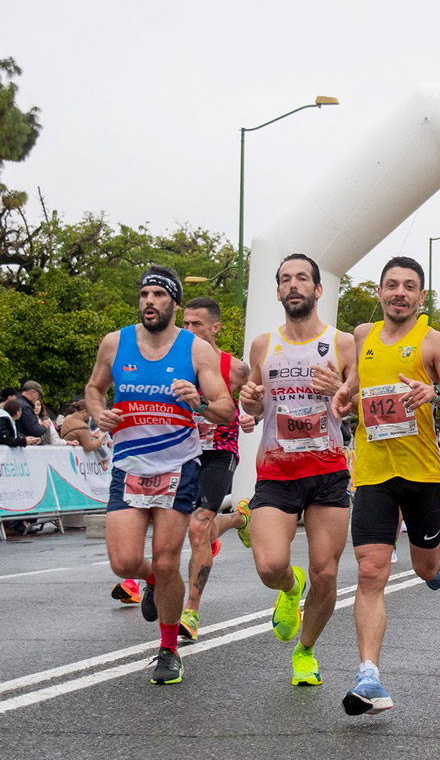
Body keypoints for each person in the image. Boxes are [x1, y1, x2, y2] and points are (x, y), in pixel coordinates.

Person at [334, 256, 440, 716]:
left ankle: (436, 564)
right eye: (391, 285)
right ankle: (369, 675)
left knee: (423, 569)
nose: (399, 293)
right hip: (373, 473)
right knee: (371, 571)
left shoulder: (434, 343)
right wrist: (341, 397)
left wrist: (432, 394)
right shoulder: (361, 336)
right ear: (379, 292)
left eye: (408, 286)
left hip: (421, 474)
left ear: (421, 296)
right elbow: (354, 386)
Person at [84, 265, 235, 684]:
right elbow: (94, 388)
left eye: (158, 295)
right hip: (129, 466)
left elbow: (226, 409)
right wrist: (99, 413)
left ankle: (168, 650)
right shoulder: (115, 343)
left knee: (169, 559)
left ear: (174, 302)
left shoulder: (195, 350)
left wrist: (200, 401)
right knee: (124, 562)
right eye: (144, 294)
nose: (149, 301)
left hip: (177, 466)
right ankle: (150, 579)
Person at [238, 253, 356, 688]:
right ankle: (291, 587)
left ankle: (305, 652)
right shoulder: (263, 344)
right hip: (276, 469)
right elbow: (252, 400)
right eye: (286, 279)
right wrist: (249, 399)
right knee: (270, 565)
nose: (294, 286)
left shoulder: (342, 343)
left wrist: (340, 390)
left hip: (327, 470)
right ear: (278, 292)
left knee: (327, 573)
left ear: (318, 289)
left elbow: (357, 402)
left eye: (302, 278)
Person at [176, 297, 256, 642]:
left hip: (219, 451)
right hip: (181, 452)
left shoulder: (235, 368)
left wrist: (251, 414)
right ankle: (239, 519)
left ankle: (190, 611)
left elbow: (257, 402)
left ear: (215, 328)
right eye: (185, 323)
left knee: (198, 529)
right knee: (188, 529)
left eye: (197, 324)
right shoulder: (172, 360)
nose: (189, 330)